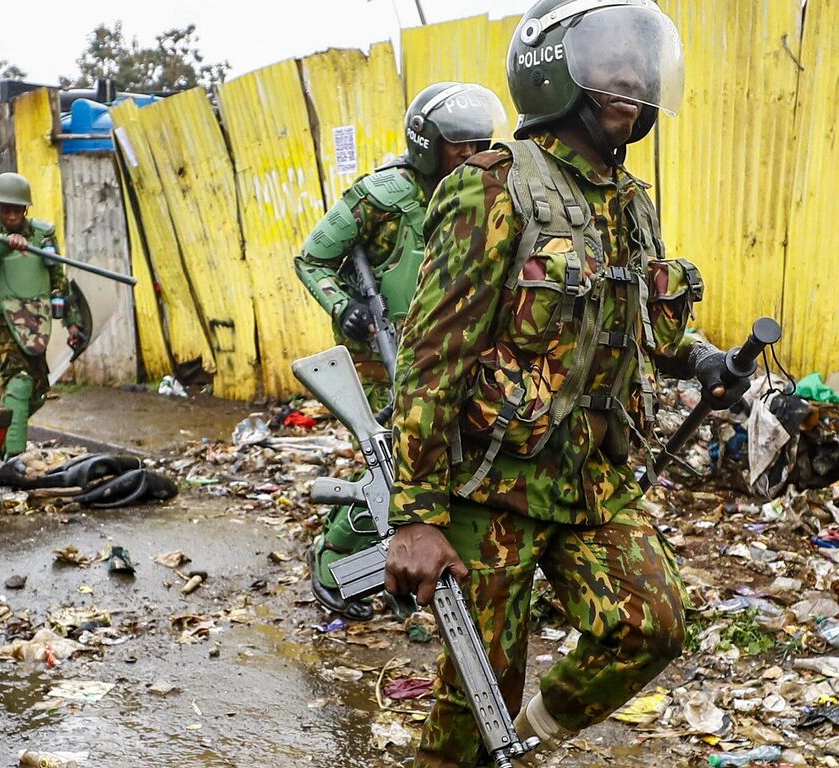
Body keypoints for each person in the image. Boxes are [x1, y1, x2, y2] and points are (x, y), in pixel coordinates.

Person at [386, 1, 748, 765]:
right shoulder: (491, 188)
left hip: (594, 482)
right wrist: (415, 517)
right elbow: (430, 359)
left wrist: (705, 358)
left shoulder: (629, 202)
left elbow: (648, 324)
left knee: (652, 623)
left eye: (640, 60)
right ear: (551, 66)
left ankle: (522, 743)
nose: (631, 75)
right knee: (473, 701)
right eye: (608, 56)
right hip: (492, 491)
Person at [296, 82, 507, 620]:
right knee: (391, 463)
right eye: (456, 143)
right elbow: (312, 259)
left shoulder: (487, 196)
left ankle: (411, 574)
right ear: (426, 142)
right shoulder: (381, 195)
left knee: (437, 465)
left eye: (477, 141)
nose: (468, 152)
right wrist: (344, 307)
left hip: (445, 357)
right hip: (377, 358)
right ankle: (334, 559)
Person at [0, 172, 84, 457]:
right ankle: (14, 460)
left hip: (35, 318)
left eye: (18, 209)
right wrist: (1, 243)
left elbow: (57, 278)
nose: (12, 215)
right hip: (0, 318)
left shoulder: (42, 234)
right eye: (6, 209)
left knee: (37, 390)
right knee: (21, 378)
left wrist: (73, 322)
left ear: (25, 209)